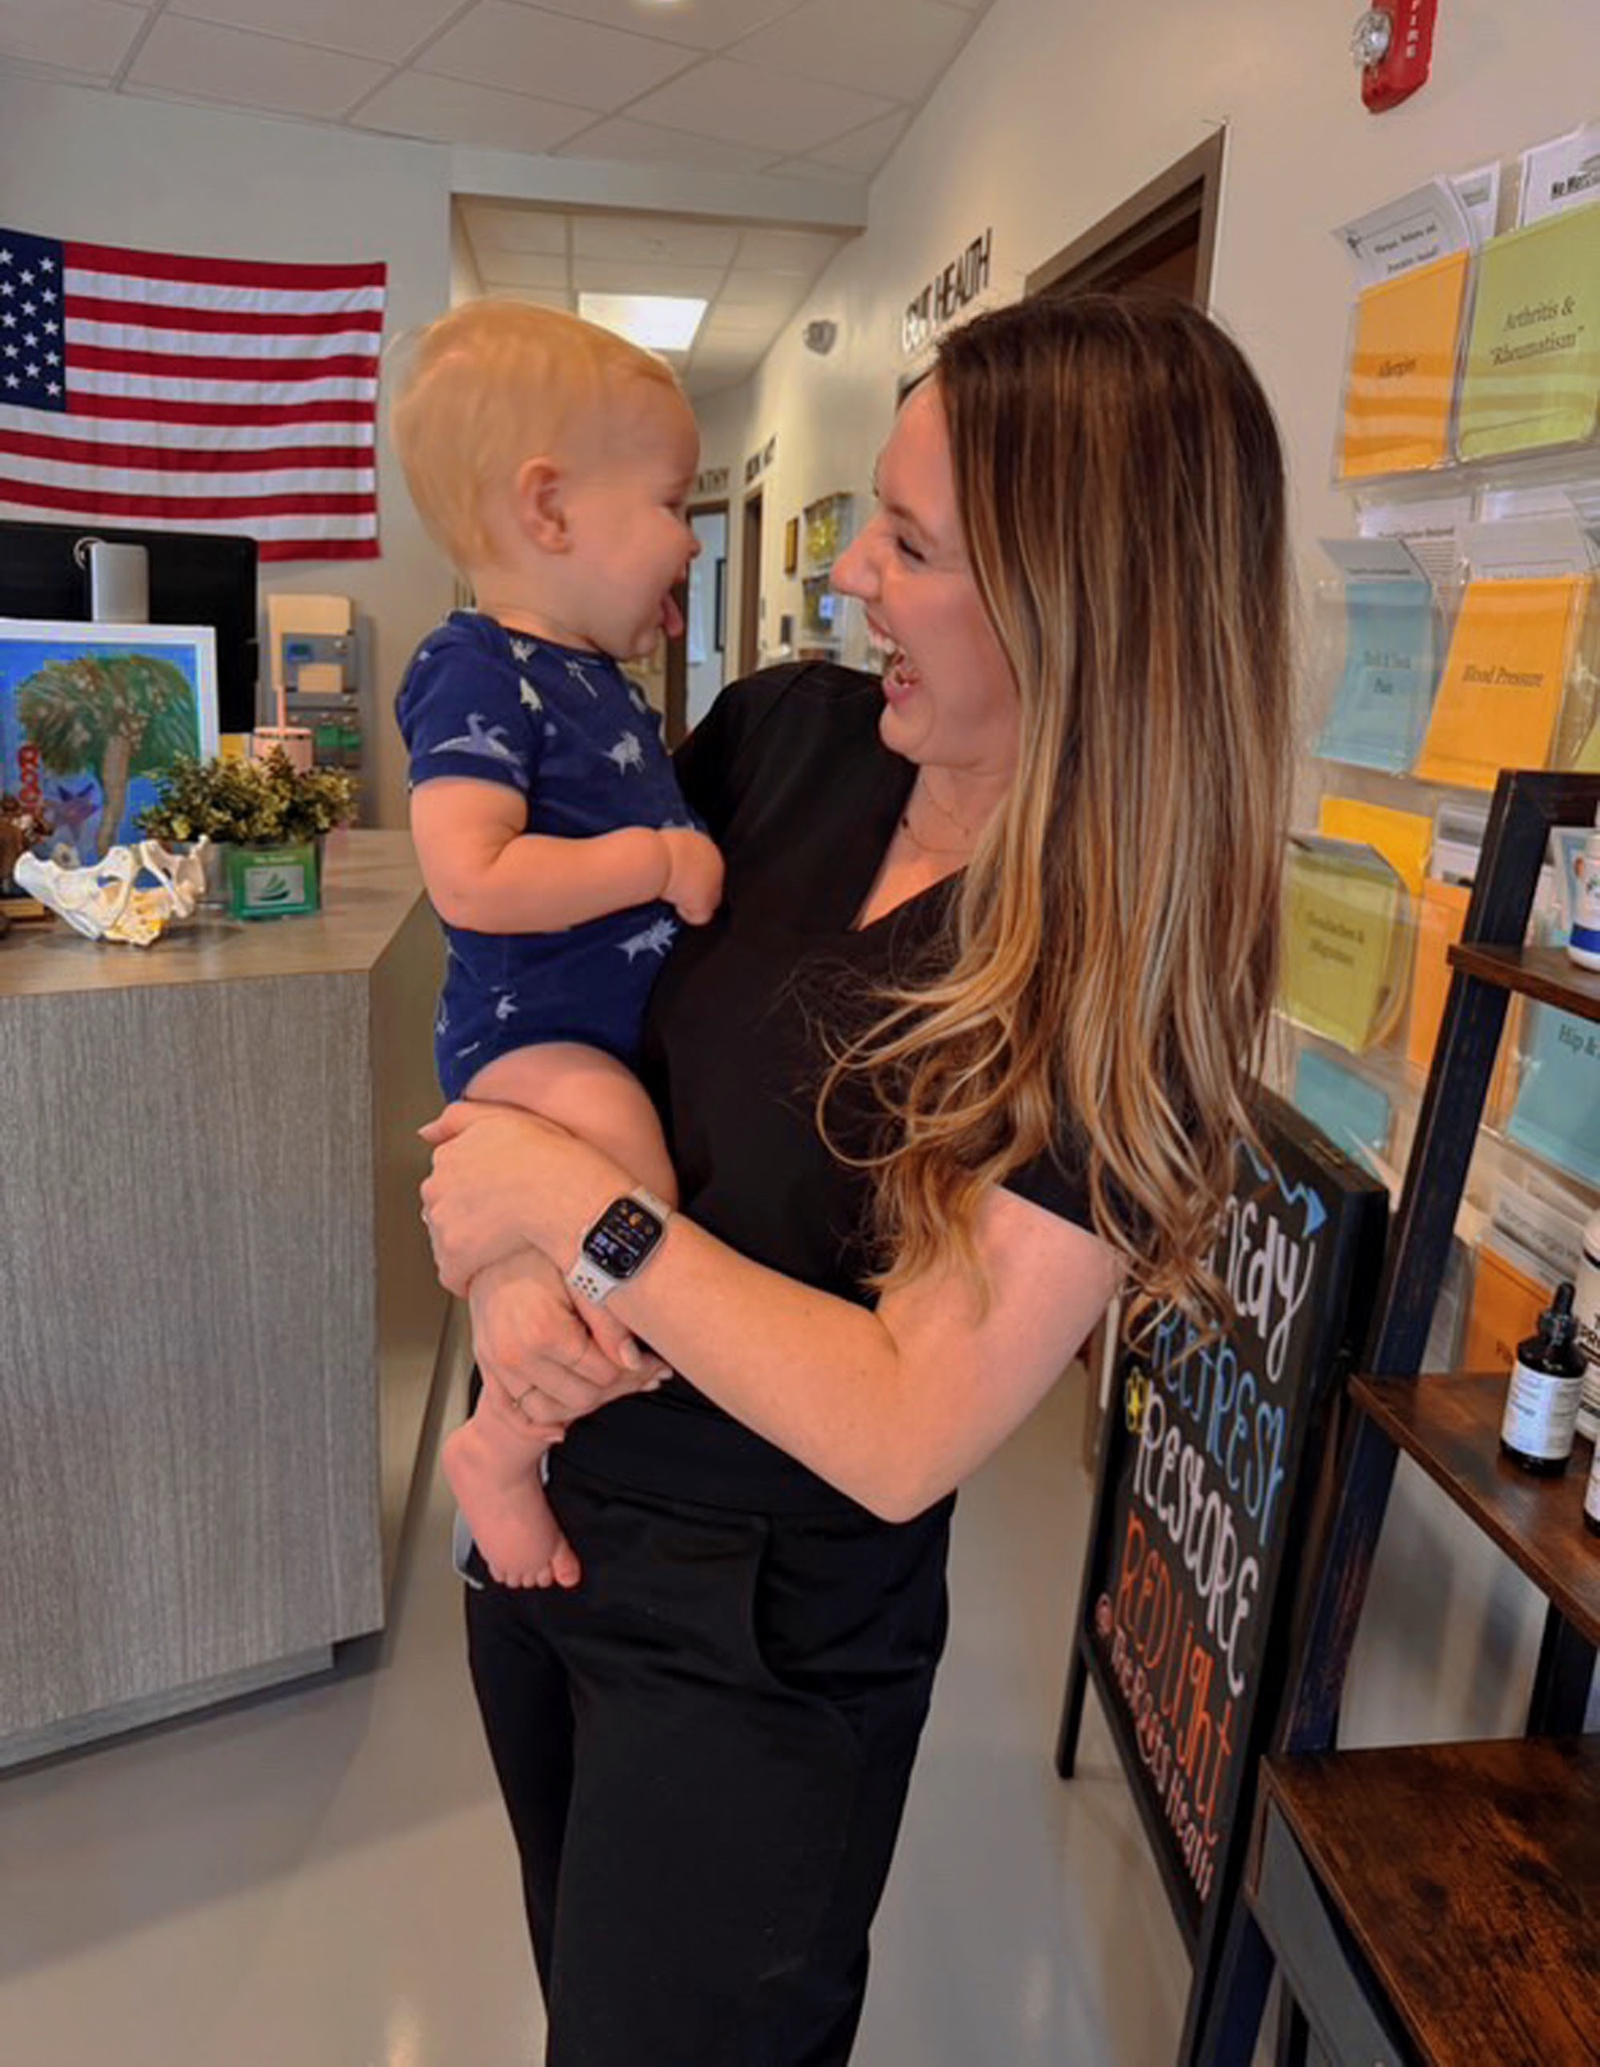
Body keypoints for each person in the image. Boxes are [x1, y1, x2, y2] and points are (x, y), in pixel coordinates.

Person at [419, 292, 1292, 2066]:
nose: (845, 583)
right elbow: (545, 1037)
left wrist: (564, 1216)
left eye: (908, 546)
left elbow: (904, 1420)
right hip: (547, 1518)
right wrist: (512, 1285)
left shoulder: (1123, 986)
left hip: (763, 1646)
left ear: (1076, 602)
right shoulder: (779, 740)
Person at [392, 301, 721, 1591]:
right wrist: (652, 861)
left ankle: (537, 1381)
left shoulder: (595, 677)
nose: (690, 540)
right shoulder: (472, 668)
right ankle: (509, 1437)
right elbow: (469, 878)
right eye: (673, 502)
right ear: (551, 511)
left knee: (598, 1211)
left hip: (583, 1037)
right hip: (532, 1041)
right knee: (640, 1198)